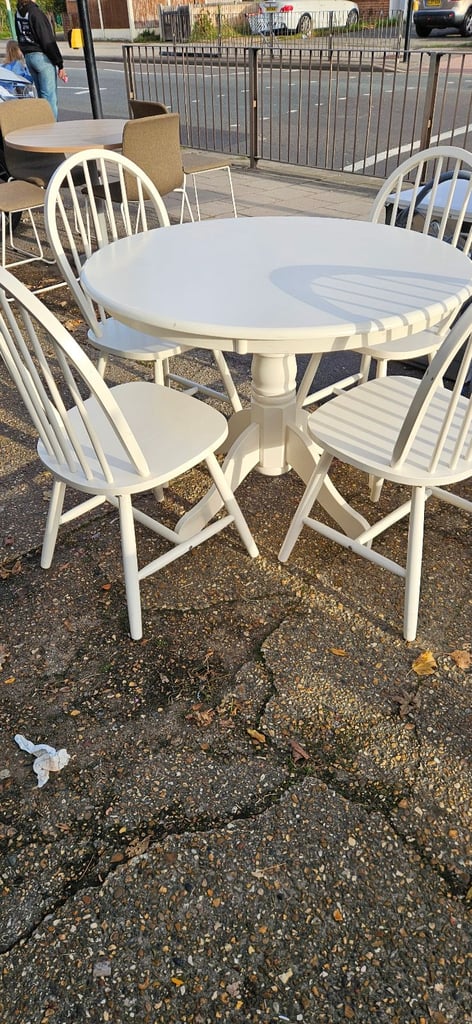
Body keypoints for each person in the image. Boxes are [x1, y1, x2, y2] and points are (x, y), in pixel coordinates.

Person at [14, 0, 67, 119]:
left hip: (29, 56)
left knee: (42, 98)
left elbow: (19, 36)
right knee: (49, 98)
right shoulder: (35, 13)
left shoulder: (17, 14)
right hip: (42, 57)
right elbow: (47, 40)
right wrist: (60, 64)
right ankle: (52, 127)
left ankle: (45, 126)